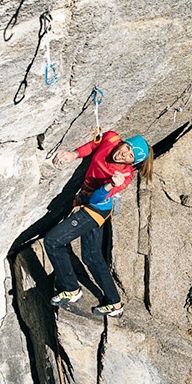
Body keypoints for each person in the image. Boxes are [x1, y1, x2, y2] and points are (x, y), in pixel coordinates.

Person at [44, 131, 153, 317]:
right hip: (89, 202)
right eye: (126, 147)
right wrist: (74, 155)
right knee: (92, 257)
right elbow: (93, 146)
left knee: (53, 241)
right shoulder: (111, 138)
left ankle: (72, 290)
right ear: (123, 142)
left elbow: (96, 198)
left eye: (130, 156)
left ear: (131, 163)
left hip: (96, 209)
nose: (123, 154)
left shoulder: (124, 176)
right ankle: (115, 303)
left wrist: (110, 185)